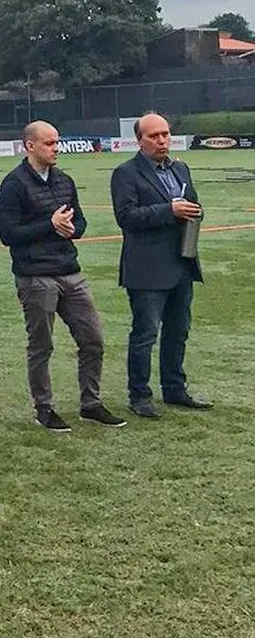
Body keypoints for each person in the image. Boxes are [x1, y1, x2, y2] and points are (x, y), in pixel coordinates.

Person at [0, 121, 125, 432]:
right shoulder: (13, 184)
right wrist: (49, 225)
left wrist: (72, 230)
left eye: (57, 142)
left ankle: (90, 404)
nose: (56, 148)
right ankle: (44, 408)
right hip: (35, 277)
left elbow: (79, 221)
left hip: (70, 271)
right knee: (41, 345)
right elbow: (8, 234)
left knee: (93, 339)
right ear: (29, 146)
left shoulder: (64, 180)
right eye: (49, 143)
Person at [110, 112, 211, 417]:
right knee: (145, 334)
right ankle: (139, 395)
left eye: (165, 134)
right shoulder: (126, 173)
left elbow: (191, 204)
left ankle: (175, 389)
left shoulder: (181, 169)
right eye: (154, 136)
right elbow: (126, 217)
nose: (162, 140)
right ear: (139, 140)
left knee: (178, 330)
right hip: (147, 268)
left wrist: (194, 212)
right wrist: (169, 210)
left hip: (182, 262)